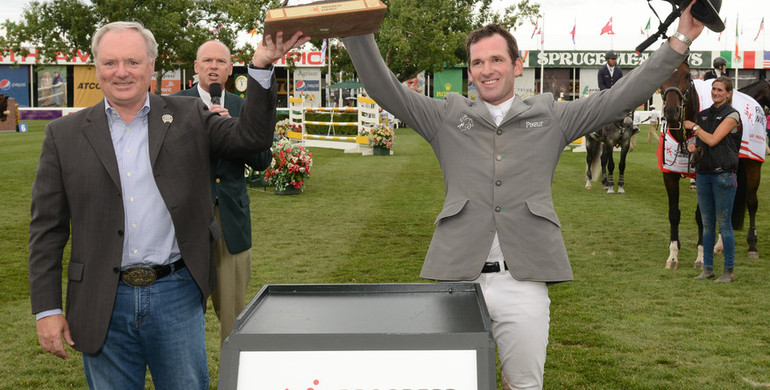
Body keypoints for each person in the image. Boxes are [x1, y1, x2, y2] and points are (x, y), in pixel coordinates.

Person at [339, 3, 703, 388]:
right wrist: (353, 26)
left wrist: (679, 40)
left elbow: (622, 95)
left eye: (496, 59)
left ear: (517, 64)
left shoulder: (552, 115)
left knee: (525, 385)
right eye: (477, 62)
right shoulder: (446, 116)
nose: (486, 69)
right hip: (459, 280)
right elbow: (384, 88)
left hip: (524, 283)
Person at [28, 21, 308, 389]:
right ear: (96, 68)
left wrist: (260, 65)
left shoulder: (188, 116)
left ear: (151, 67)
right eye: (110, 62)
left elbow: (251, 138)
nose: (122, 72)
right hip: (100, 299)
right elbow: (46, 231)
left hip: (175, 293)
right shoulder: (63, 135)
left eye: (132, 61)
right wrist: (47, 310)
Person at [174, 40, 272, 345]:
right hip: (186, 221)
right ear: (196, 67)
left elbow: (261, 161)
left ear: (231, 69)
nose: (213, 67)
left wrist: (235, 132)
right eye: (207, 61)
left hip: (230, 221)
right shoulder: (174, 104)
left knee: (232, 314)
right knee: (181, 314)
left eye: (220, 61)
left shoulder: (244, 106)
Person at [685, 76, 742, 283]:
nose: (716, 92)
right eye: (714, 89)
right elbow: (703, 144)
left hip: (724, 175)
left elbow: (713, 139)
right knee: (707, 225)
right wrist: (693, 147)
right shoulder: (704, 115)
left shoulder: (732, 115)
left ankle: (729, 271)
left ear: (728, 93)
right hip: (704, 175)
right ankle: (707, 268)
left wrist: (693, 127)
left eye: (720, 90)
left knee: (724, 225)